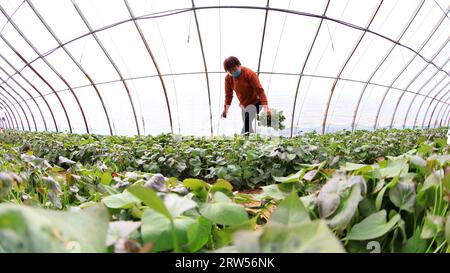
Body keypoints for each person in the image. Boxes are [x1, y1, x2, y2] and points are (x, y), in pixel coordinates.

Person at [221, 56, 271, 136]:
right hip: (244, 105)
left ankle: (240, 143)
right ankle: (253, 143)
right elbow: (228, 95)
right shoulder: (228, 78)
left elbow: (260, 92)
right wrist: (225, 109)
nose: (233, 72)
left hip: (257, 102)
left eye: (234, 69)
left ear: (238, 65)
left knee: (246, 126)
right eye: (230, 71)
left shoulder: (249, 74)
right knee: (247, 126)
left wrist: (266, 108)